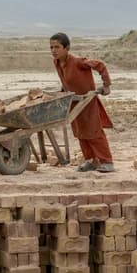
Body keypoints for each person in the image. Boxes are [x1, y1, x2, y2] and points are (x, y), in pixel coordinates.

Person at [49, 32, 115, 173]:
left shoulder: (78, 61)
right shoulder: (56, 62)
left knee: (94, 131)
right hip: (73, 102)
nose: (54, 50)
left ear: (67, 48)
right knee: (80, 132)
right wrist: (62, 91)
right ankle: (91, 160)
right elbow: (65, 79)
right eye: (51, 47)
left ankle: (107, 162)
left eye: (57, 47)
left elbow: (100, 65)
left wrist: (106, 85)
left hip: (87, 101)